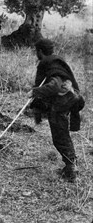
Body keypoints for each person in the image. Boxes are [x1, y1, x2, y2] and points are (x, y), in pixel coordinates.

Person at [29, 39, 85, 182]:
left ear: (39, 52)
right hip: (68, 100)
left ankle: (71, 168)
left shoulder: (48, 63)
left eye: (37, 52)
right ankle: (70, 165)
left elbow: (54, 86)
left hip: (63, 103)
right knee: (61, 134)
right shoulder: (55, 61)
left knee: (60, 136)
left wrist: (36, 91)